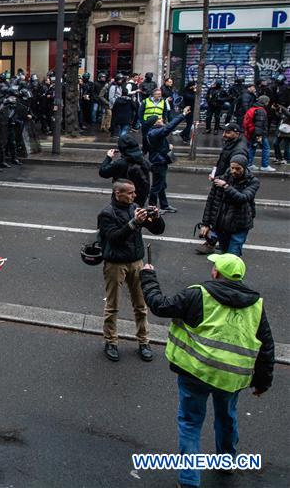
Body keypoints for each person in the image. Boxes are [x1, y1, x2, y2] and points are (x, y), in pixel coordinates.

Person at [140, 254, 274, 488]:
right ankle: (226, 461)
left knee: (190, 423)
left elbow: (160, 305)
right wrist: (262, 383)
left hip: (195, 371)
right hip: (230, 376)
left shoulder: (197, 294)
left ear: (216, 273)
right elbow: (266, 347)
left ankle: (189, 480)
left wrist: (148, 275)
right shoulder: (256, 304)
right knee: (227, 417)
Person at [97, 179, 165, 362]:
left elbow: (158, 230)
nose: (134, 196)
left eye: (134, 192)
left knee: (141, 305)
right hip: (115, 263)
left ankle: (144, 341)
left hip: (136, 262)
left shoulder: (134, 207)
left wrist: (156, 217)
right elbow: (114, 237)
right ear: (118, 193)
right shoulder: (106, 214)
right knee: (113, 306)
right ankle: (111, 341)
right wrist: (134, 223)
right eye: (130, 193)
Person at [196, 155, 259, 256]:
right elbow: (211, 202)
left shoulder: (252, 182)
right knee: (224, 254)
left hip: (239, 225)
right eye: (232, 168)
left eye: (238, 169)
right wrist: (206, 224)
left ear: (244, 168)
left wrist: (226, 186)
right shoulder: (220, 179)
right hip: (222, 225)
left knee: (232, 256)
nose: (234, 171)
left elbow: (243, 198)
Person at [144, 106, 191, 213]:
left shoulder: (154, 132)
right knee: (156, 186)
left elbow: (157, 145)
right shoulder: (156, 132)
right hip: (158, 162)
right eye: (159, 119)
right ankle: (152, 207)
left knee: (161, 185)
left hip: (159, 160)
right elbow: (169, 127)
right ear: (154, 123)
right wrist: (182, 114)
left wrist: (167, 147)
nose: (162, 120)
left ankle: (164, 205)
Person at [98, 135, 151, 207]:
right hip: (139, 198)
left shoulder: (120, 163)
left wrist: (108, 157)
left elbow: (103, 172)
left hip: (122, 198)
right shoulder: (143, 160)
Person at [243, 95, 275, 172]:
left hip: (252, 132)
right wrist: (259, 136)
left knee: (252, 148)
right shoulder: (261, 110)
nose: (268, 103)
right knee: (266, 148)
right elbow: (259, 125)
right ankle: (265, 165)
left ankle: (249, 164)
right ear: (265, 102)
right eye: (267, 101)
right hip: (259, 134)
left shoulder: (253, 108)